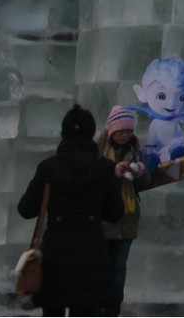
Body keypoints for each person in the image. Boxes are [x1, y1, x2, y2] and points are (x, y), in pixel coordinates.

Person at [15, 106, 124, 317]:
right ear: (92, 134)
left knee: (53, 310)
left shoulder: (48, 167)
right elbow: (114, 213)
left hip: (55, 256)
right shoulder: (104, 168)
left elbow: (26, 209)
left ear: (63, 134)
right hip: (91, 255)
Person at [98, 105, 145, 311]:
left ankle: (113, 309)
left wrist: (140, 172)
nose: (125, 135)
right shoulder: (99, 151)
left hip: (128, 217)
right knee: (102, 266)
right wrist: (113, 171)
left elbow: (144, 184)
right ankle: (99, 308)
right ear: (112, 130)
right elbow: (94, 179)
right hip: (104, 218)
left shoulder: (136, 152)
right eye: (121, 131)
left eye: (128, 131)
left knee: (119, 267)